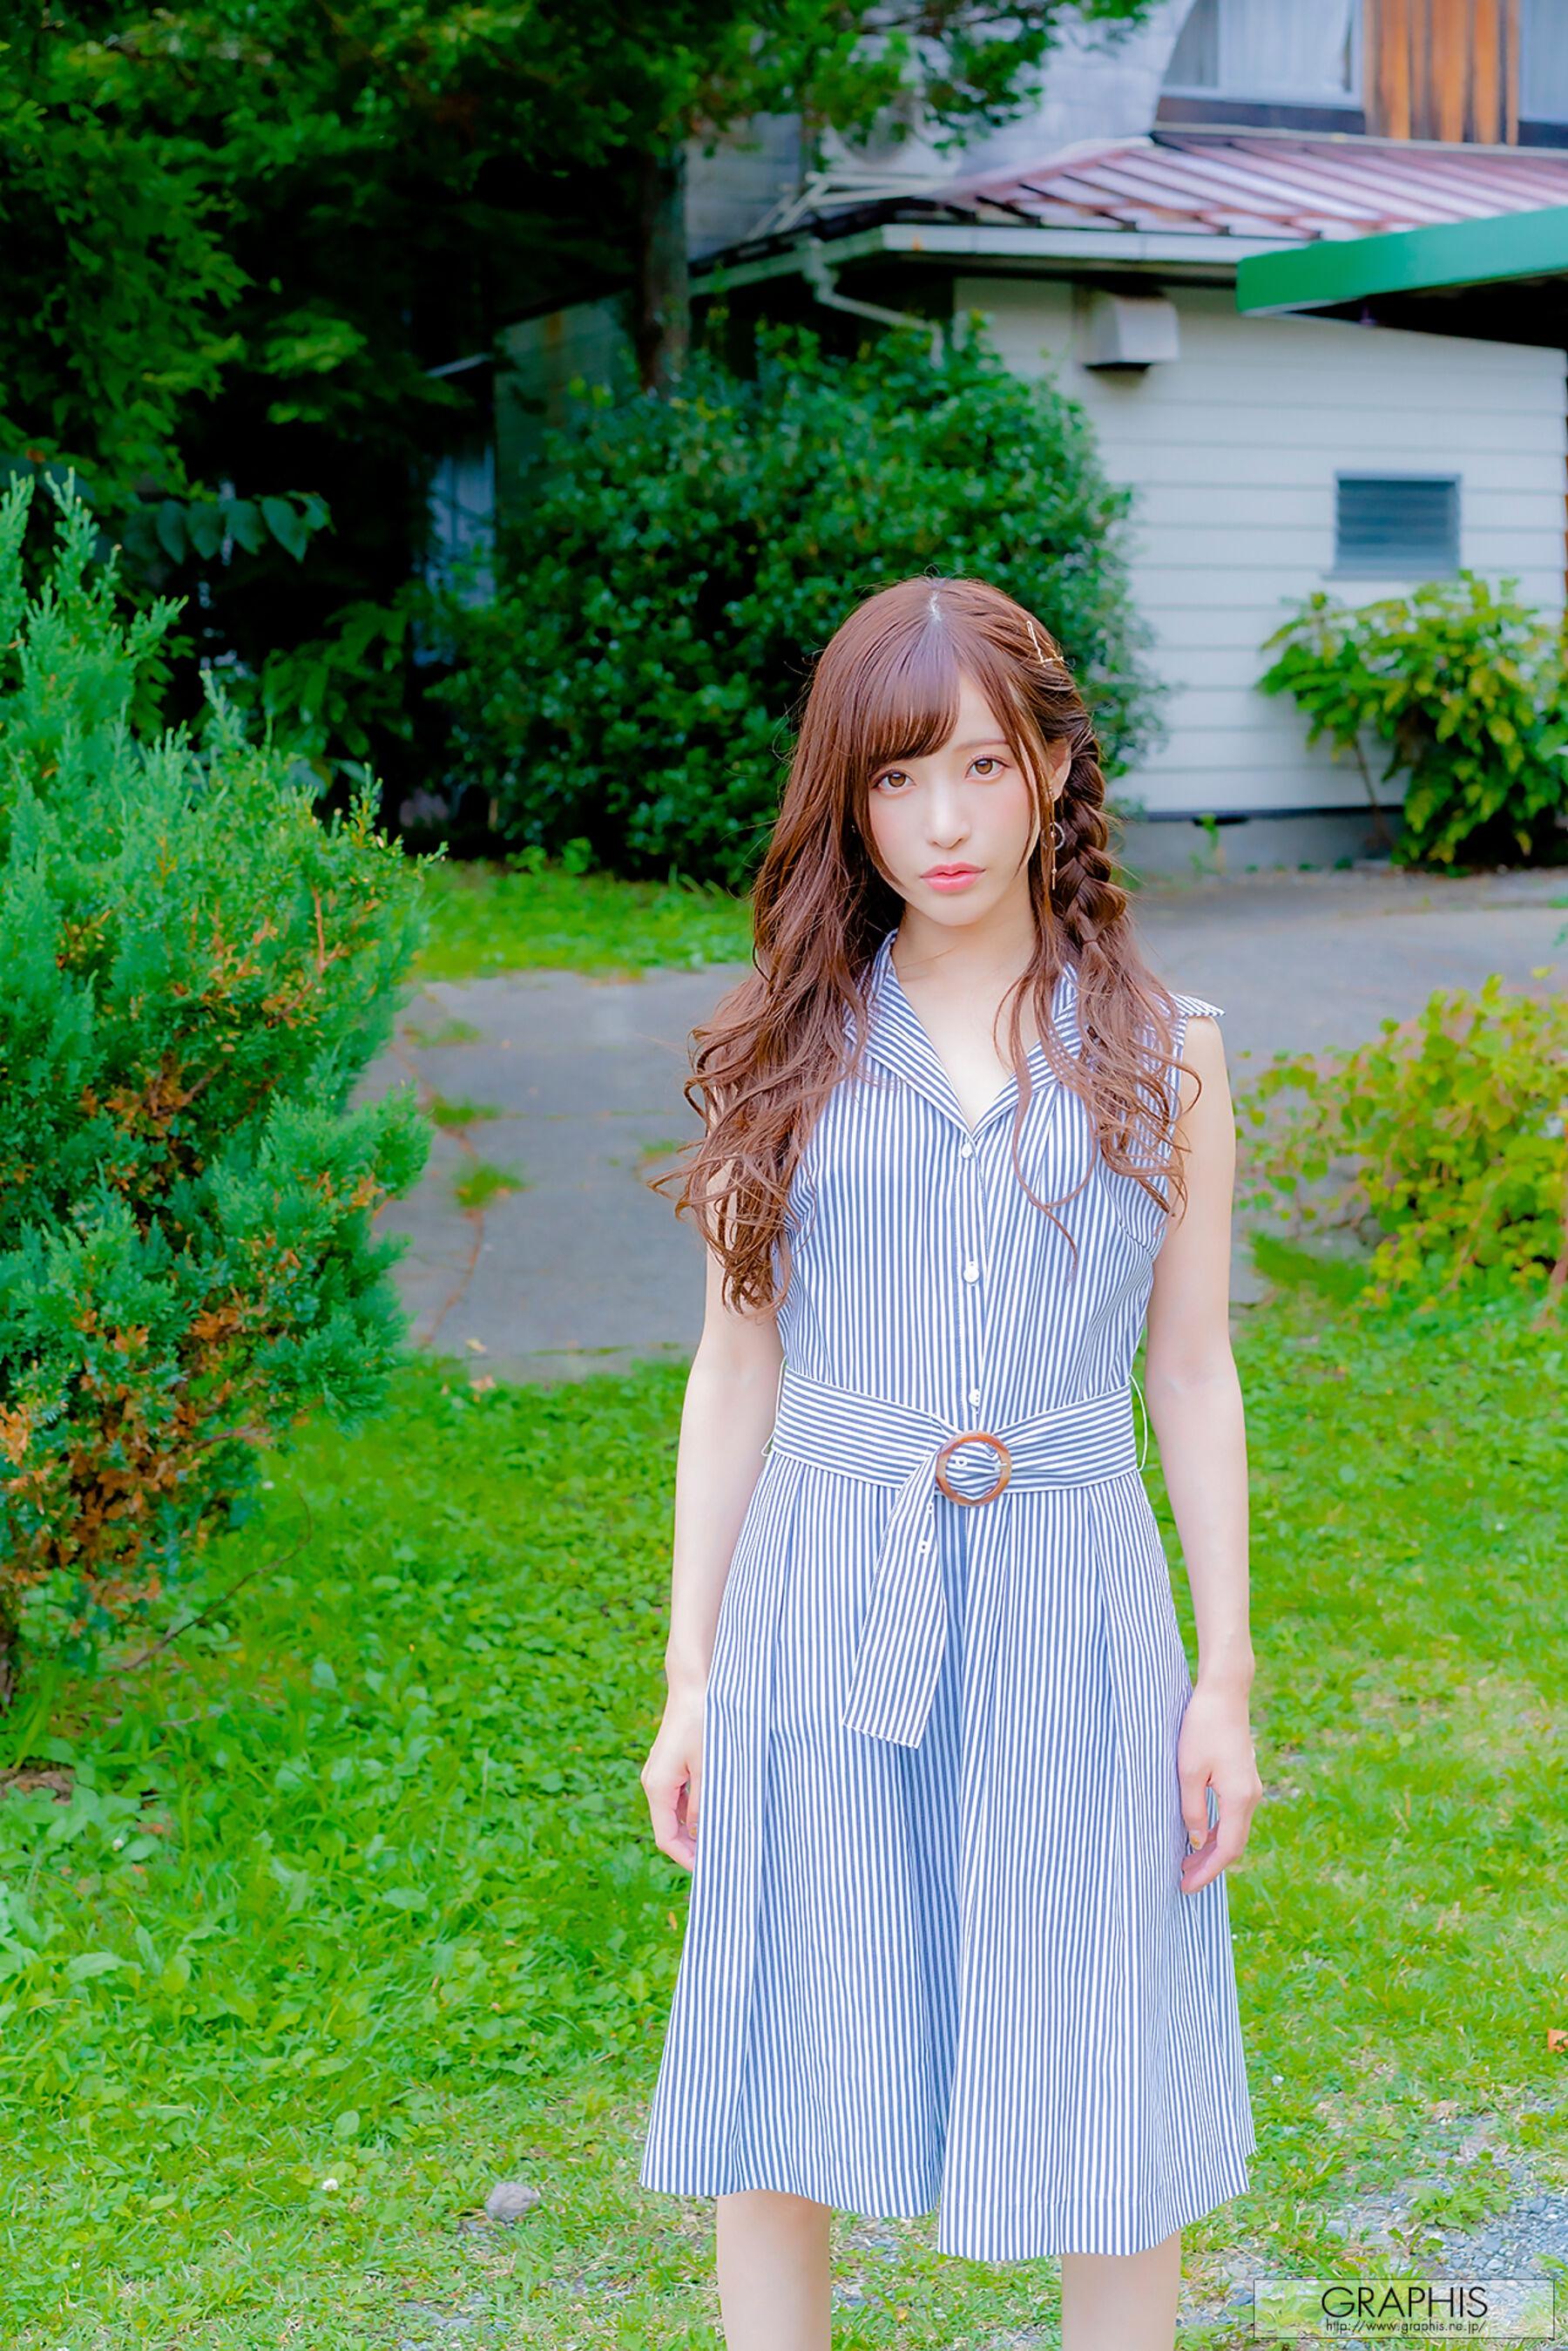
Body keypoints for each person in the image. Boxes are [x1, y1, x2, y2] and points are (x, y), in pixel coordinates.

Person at [638, 575, 1262, 2351]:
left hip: (1077, 1598)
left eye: (983, 764)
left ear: (1055, 767)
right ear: (849, 799)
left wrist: (1224, 1679)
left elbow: (1191, 1369)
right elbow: (735, 1366)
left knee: (1102, 2048)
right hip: (825, 1583)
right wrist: (691, 1676)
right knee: (786, 2049)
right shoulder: (784, 1043)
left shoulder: (1168, 1049)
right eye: (896, 777)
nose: (942, 822)